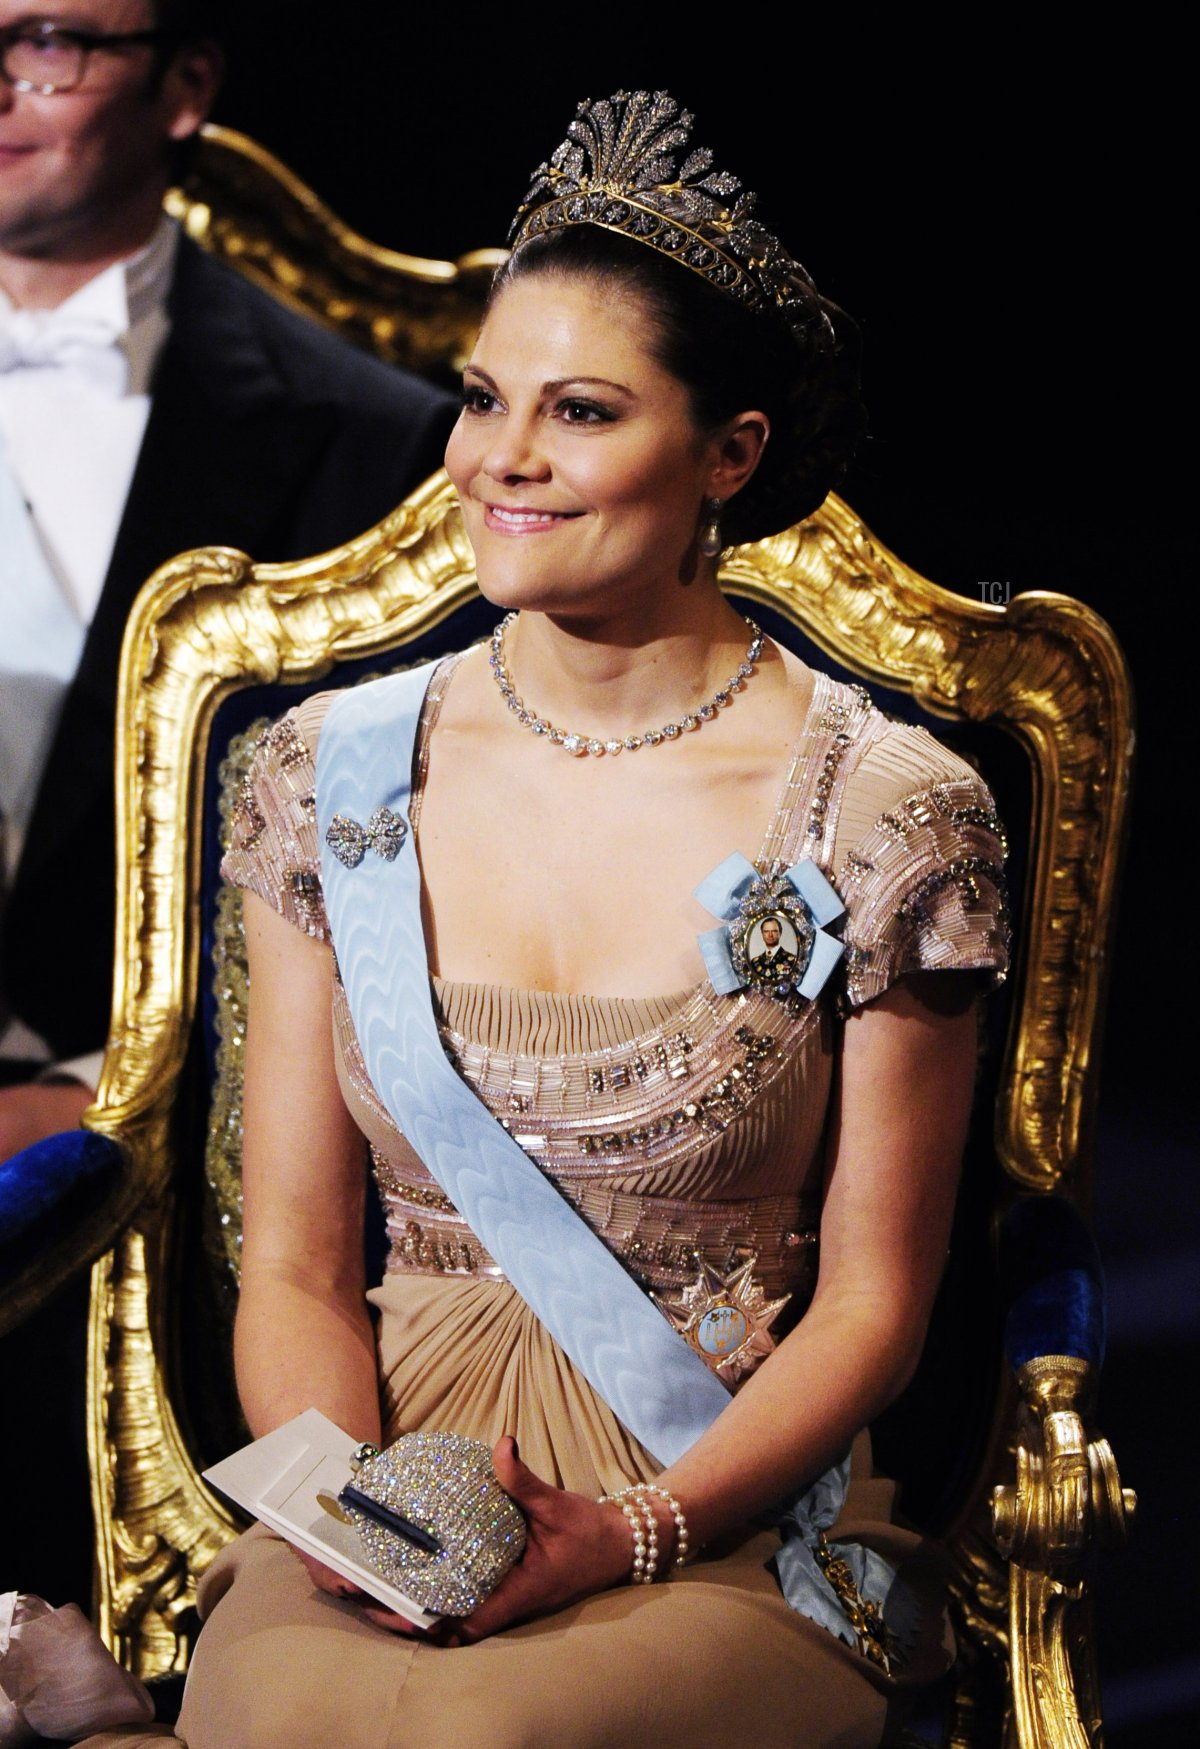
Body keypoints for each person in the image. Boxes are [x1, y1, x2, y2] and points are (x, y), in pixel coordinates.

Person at [78, 90, 1009, 1749]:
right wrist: (363, 1519)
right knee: (294, 1714)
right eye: (482, 399)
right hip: (385, 1483)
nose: (500, 459)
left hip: (721, 1509)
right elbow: (292, 1255)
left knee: (482, 1740)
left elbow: (877, 1298)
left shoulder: (890, 804)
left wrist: (633, 1526)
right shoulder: (325, 770)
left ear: (731, 454)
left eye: (579, 411)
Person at [0, 0, 458, 1160]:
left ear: (185, 85)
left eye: (48, 43)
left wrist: (99, 1093)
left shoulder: (369, 440)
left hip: (117, 1125)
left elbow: (369, 857)